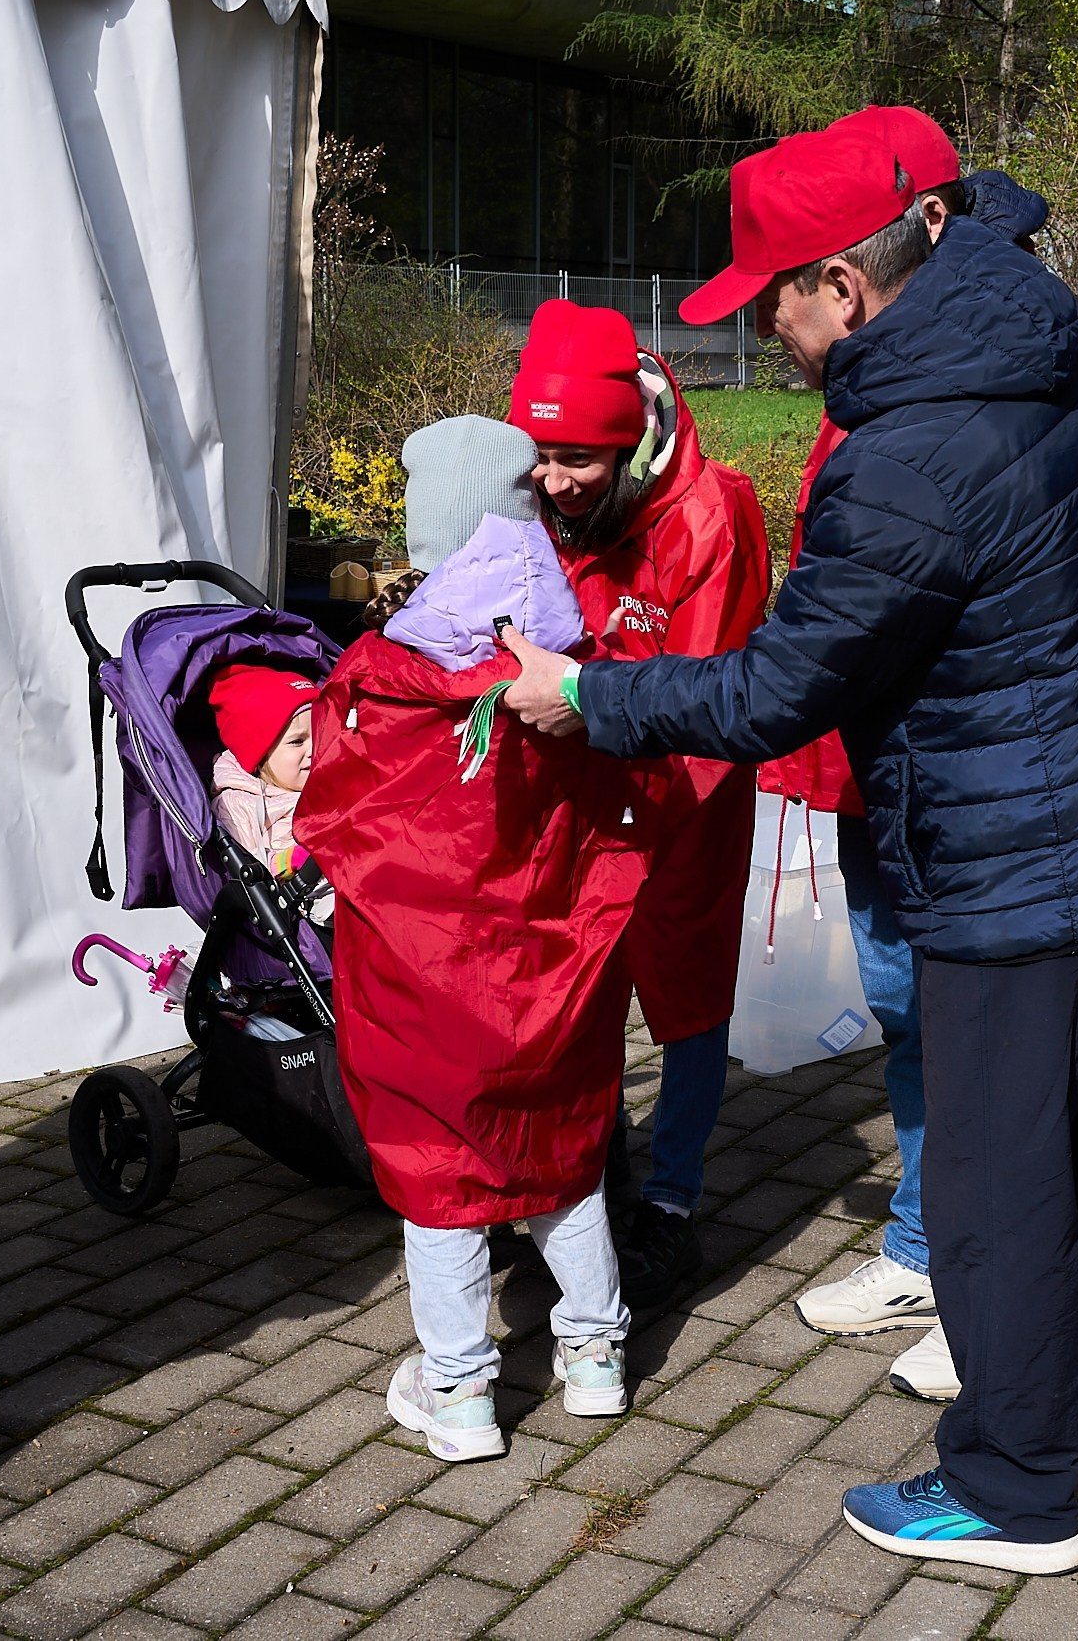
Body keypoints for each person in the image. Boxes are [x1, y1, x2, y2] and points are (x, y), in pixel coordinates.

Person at [497, 124, 1078, 1576]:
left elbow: (772, 690)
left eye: (779, 294)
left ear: (848, 283)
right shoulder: (1049, 332)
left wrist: (585, 693)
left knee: (1004, 1182)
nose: (768, 322)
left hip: (1019, 858)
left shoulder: (913, 448)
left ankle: (1014, 1487)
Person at [784, 128, 1078, 1410]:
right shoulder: (916, 355)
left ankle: (1003, 1303)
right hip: (895, 777)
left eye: (788, 290)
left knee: (1012, 1079)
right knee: (909, 1023)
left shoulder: (1033, 355)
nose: (779, 328)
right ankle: (932, 1250)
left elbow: (1023, 580)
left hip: (999, 796)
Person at [297, 415, 648, 1463]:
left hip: (424, 979)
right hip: (553, 965)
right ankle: (593, 1360)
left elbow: (338, 806)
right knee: (564, 1157)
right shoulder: (572, 662)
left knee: (439, 1177)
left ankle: (458, 1393)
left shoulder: (382, 675)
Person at [504, 301, 770, 1310]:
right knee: (578, 981)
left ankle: (669, 1203)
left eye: (575, 459)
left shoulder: (711, 513)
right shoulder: (540, 498)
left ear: (625, 445)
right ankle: (583, 1177)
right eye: (538, 453)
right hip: (578, 778)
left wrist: (603, 721)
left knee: (685, 990)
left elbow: (714, 687)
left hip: (684, 788)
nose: (553, 482)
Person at [208, 666, 331, 923]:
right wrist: (294, 860)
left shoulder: (334, 777)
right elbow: (254, 871)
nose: (314, 749)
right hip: (315, 898)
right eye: (297, 742)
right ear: (261, 753)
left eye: (320, 734)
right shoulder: (238, 803)